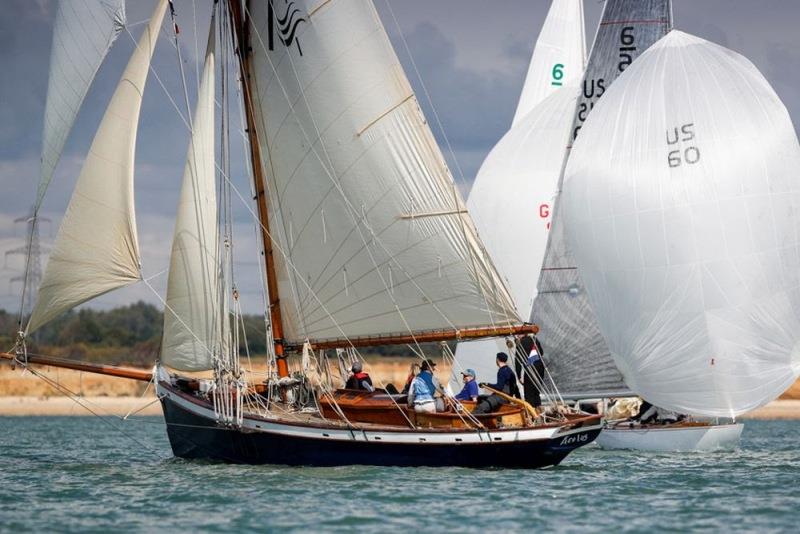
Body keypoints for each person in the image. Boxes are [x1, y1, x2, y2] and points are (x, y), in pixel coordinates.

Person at [516, 335, 545, 408]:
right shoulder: (534, 339)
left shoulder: (520, 342)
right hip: (540, 368)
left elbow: (518, 360)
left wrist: (519, 376)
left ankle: (532, 415)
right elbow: (541, 352)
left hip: (530, 368)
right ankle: (539, 412)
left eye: (518, 334)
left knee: (529, 394)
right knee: (536, 392)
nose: (516, 336)